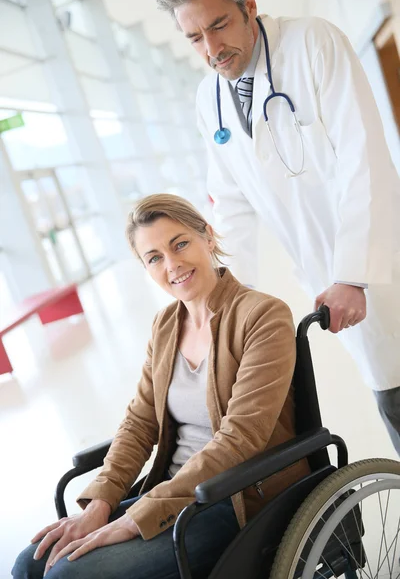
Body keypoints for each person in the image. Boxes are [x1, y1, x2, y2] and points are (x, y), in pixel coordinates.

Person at [155, 0, 400, 454]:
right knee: (390, 392)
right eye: (194, 38)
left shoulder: (313, 43)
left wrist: (353, 273)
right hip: (330, 275)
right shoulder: (211, 98)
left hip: (380, 266)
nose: (211, 48)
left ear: (248, 4)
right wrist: (222, 303)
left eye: (219, 25)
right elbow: (231, 204)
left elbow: (363, 159)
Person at [13, 194, 309, 579]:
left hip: (235, 498)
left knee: (67, 575)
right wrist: (102, 502)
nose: (172, 265)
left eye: (180, 243)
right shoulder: (166, 326)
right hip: (171, 495)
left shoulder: (262, 315)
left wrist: (138, 517)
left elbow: (241, 438)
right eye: (154, 257)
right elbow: (139, 424)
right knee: (29, 564)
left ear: (209, 237)